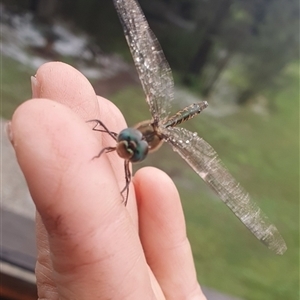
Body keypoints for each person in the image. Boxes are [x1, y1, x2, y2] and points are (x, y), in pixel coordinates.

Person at [8, 62, 207, 299]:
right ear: (128, 133)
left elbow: (125, 179)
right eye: (126, 139)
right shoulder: (125, 140)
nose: (125, 149)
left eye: (134, 152)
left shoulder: (136, 152)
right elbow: (98, 125)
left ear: (144, 152)